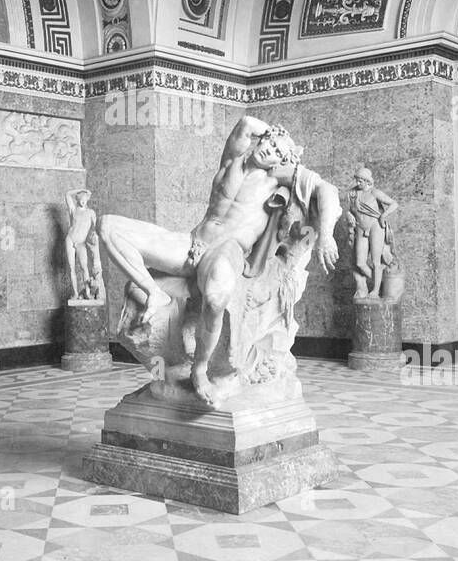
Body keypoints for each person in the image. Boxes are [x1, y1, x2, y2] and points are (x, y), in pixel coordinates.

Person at [98, 115, 339, 404]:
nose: (269, 150)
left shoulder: (277, 178)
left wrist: (325, 236)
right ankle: (154, 293)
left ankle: (200, 368)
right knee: (108, 227)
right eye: (269, 143)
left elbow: (328, 191)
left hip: (225, 250)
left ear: (282, 161)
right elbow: (246, 123)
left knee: (215, 296)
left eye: (276, 151)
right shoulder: (232, 161)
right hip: (192, 243)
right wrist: (274, 134)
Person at [345, 167, 397, 299]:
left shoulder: (375, 192)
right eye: (357, 180)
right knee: (360, 263)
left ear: (367, 181)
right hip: (360, 228)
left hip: (375, 226)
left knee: (375, 261)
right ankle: (381, 283)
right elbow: (351, 210)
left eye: (360, 181)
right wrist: (349, 215)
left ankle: (375, 290)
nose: (357, 183)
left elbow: (394, 204)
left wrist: (384, 215)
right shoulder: (352, 194)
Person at [65, 189, 102, 299]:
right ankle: (75, 293)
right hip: (70, 239)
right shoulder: (73, 210)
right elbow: (67, 194)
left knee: (84, 268)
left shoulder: (91, 212)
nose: (83, 202)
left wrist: (94, 238)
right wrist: (81, 190)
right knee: (71, 268)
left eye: (85, 200)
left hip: (81, 242)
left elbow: (95, 228)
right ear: (78, 200)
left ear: (87, 200)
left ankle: (87, 292)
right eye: (81, 199)